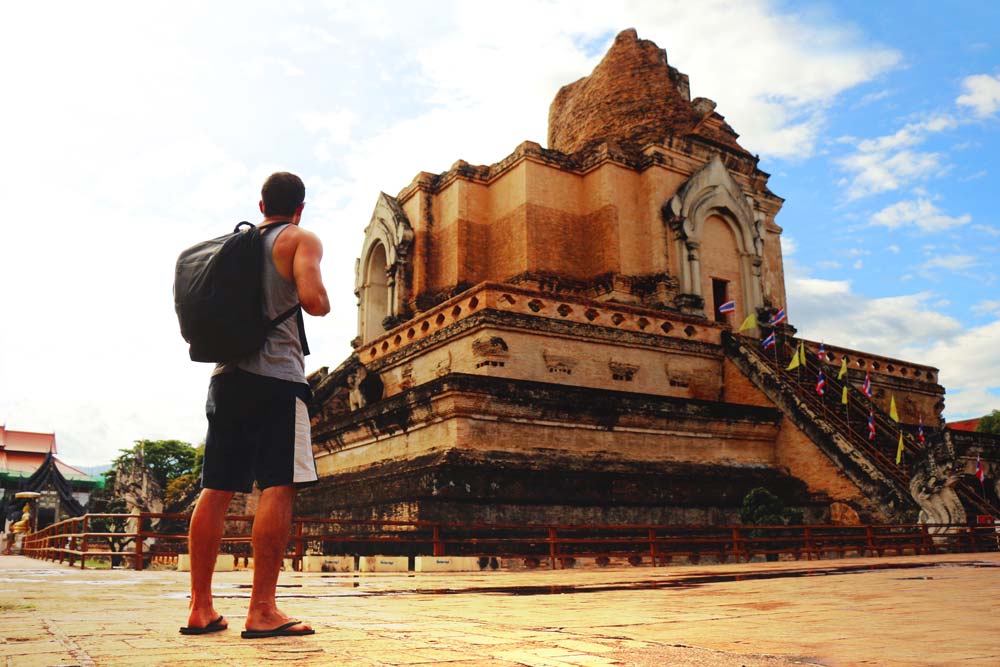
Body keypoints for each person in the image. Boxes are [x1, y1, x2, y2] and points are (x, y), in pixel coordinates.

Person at [182, 172, 330, 638]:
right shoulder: (300, 239)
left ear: (261, 203)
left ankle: (200, 609)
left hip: (225, 379)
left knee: (216, 488)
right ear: (300, 207)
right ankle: (262, 609)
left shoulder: (234, 247)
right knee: (278, 485)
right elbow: (315, 301)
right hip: (276, 381)